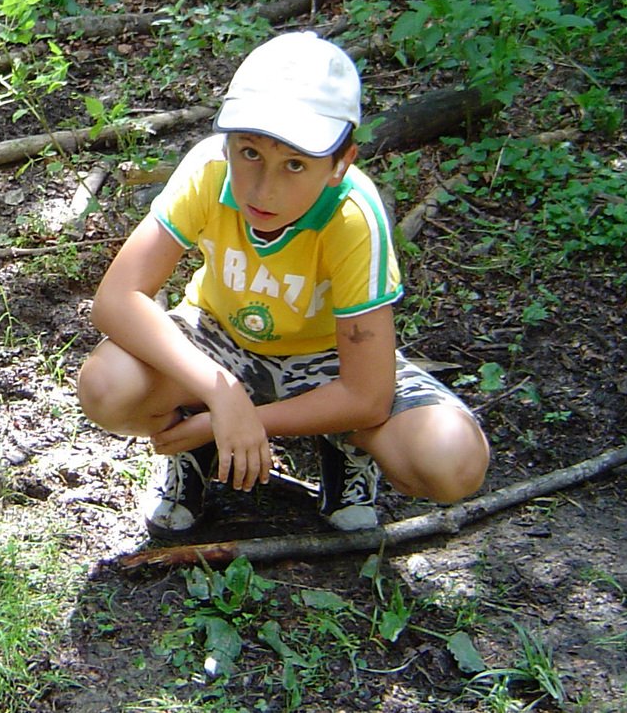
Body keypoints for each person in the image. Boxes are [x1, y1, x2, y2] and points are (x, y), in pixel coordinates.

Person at [76, 32, 489, 539]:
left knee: (451, 459)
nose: (263, 188)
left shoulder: (353, 213)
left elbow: (369, 394)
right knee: (106, 386)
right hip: (217, 340)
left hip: (327, 362)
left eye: (295, 164)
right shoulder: (209, 170)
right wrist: (220, 393)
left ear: (342, 162)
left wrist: (233, 419)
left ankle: (345, 449)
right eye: (249, 152)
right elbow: (117, 298)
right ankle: (195, 457)